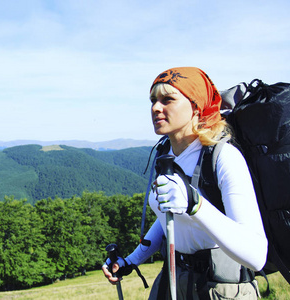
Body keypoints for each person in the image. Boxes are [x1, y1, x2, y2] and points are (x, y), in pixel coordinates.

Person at [102, 67, 268, 299]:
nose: (156, 108)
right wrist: (130, 261)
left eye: (168, 99)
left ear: (196, 106)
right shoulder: (165, 156)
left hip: (221, 289)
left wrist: (195, 204)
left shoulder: (223, 157)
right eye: (153, 100)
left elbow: (256, 255)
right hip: (173, 283)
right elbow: (167, 219)